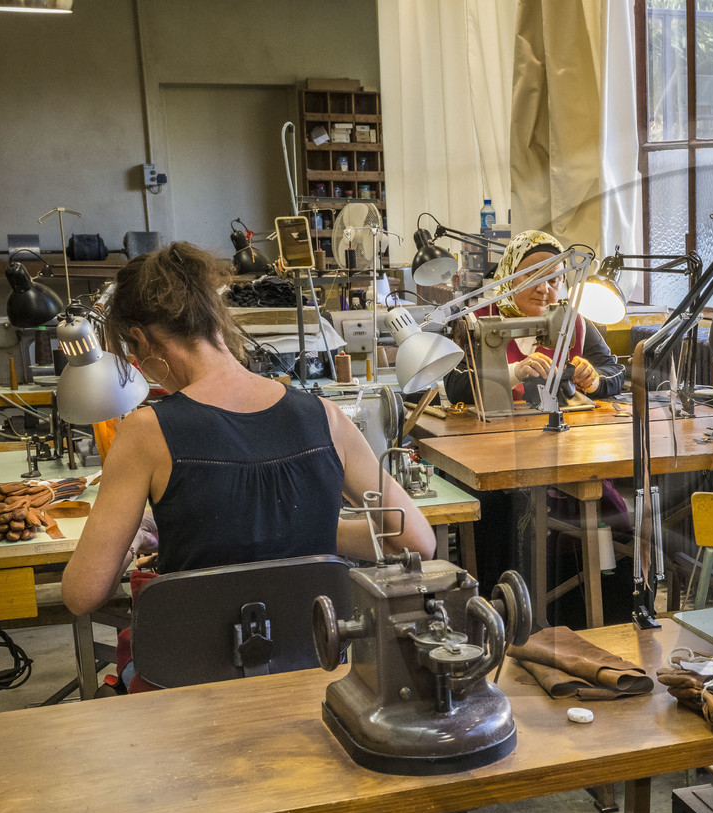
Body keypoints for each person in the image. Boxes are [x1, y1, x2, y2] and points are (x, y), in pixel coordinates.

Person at [61, 242, 434, 617]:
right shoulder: (327, 417)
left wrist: (133, 540)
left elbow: (83, 595)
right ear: (216, 319)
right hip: (318, 661)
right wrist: (304, 526)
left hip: (196, 671)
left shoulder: (145, 432)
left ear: (140, 339)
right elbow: (415, 541)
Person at [443, 229, 623, 407]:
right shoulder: (476, 321)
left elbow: (615, 372)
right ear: (509, 275)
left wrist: (592, 380)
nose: (544, 289)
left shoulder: (573, 321)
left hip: (569, 430)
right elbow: (456, 387)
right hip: (495, 430)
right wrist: (516, 372)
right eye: (533, 276)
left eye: (553, 280)